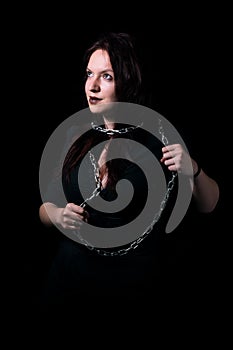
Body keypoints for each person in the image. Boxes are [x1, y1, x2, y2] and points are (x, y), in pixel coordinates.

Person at [38, 32, 219, 313]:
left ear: (128, 79)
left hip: (133, 287)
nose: (93, 86)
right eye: (89, 74)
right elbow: (45, 206)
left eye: (106, 76)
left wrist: (193, 169)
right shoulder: (76, 134)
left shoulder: (159, 136)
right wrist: (58, 216)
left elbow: (209, 205)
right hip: (69, 281)